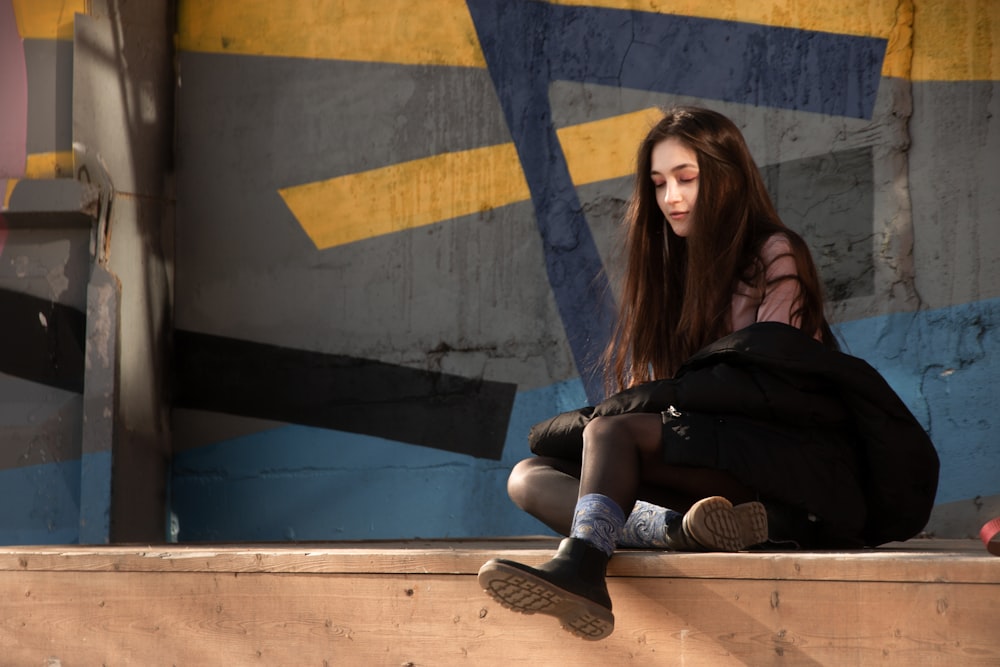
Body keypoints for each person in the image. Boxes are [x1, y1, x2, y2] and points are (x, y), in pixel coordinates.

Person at [477, 106, 939, 641]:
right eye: (658, 184)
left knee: (610, 430)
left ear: (725, 175)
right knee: (530, 477)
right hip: (706, 464)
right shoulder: (670, 271)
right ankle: (680, 532)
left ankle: (583, 567)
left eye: (686, 178)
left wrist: (636, 410)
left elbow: (771, 387)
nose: (671, 197)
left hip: (784, 460)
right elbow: (679, 410)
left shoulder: (774, 254)